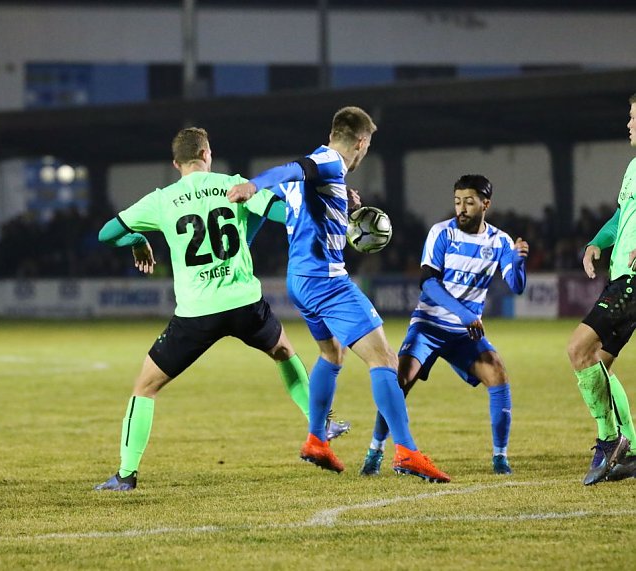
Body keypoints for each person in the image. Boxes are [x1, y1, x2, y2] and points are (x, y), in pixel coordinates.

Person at [94, 127, 349, 492]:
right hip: (245, 303)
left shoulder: (162, 200)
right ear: (206, 153)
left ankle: (125, 474)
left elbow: (106, 233)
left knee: (145, 389)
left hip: (197, 312)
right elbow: (281, 213)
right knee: (283, 353)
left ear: (175, 163)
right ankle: (318, 423)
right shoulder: (235, 184)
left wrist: (137, 240)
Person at [228, 106, 450, 482]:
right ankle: (407, 452)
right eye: (368, 146)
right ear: (361, 142)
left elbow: (292, 198)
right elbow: (290, 169)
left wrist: (338, 199)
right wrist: (255, 183)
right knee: (385, 360)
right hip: (327, 282)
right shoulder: (326, 162)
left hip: (300, 280)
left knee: (332, 352)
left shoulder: (323, 170)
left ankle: (317, 439)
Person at [358, 175, 528, 478]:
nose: (461, 208)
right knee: (400, 382)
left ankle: (500, 458)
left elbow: (516, 285)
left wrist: (517, 261)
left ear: (485, 204)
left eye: (469, 202)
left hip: (464, 335)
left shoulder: (500, 241)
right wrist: (463, 313)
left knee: (498, 373)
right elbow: (428, 282)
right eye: (457, 201)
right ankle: (375, 451)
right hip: (429, 325)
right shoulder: (442, 233)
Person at [566, 92, 636, 485]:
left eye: (633, 117)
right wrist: (596, 242)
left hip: (633, 281)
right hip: (622, 279)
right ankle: (629, 452)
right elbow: (621, 214)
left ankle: (612, 440)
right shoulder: (633, 168)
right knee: (598, 365)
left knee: (578, 349)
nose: (628, 124)